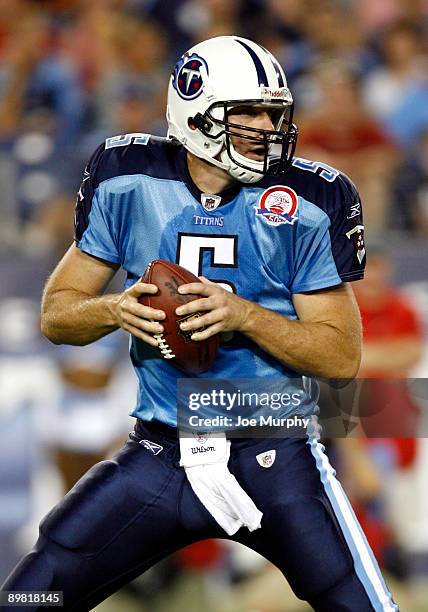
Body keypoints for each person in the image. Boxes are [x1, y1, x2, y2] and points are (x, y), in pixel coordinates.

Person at [0, 36, 398, 611]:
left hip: (274, 454)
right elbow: (57, 315)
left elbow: (340, 357)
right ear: (196, 110)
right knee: (29, 597)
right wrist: (113, 308)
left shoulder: (311, 198)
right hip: (159, 454)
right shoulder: (127, 176)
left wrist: (245, 314)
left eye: (274, 113)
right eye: (250, 113)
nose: (269, 126)